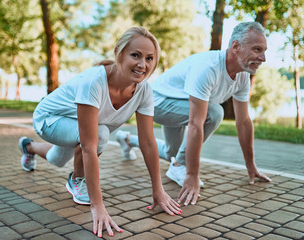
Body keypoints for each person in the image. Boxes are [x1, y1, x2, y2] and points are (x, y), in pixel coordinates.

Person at [18, 26, 181, 238]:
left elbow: (148, 142)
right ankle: (77, 180)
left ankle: (27, 147)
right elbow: (88, 146)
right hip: (49, 119)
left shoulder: (144, 90)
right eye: (135, 55)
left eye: (150, 58)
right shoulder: (94, 82)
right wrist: (98, 205)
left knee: (57, 159)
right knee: (100, 134)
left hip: (75, 125)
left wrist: (158, 190)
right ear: (118, 53)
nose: (143, 65)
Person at [116, 22, 272, 207]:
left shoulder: (242, 76)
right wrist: (191, 175)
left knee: (172, 152)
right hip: (156, 102)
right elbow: (196, 123)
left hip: (177, 104)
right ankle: (179, 167)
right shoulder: (208, 68)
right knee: (213, 113)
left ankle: (126, 140)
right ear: (236, 46)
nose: (263, 57)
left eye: (264, 51)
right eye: (257, 49)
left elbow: (244, 121)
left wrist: (250, 165)